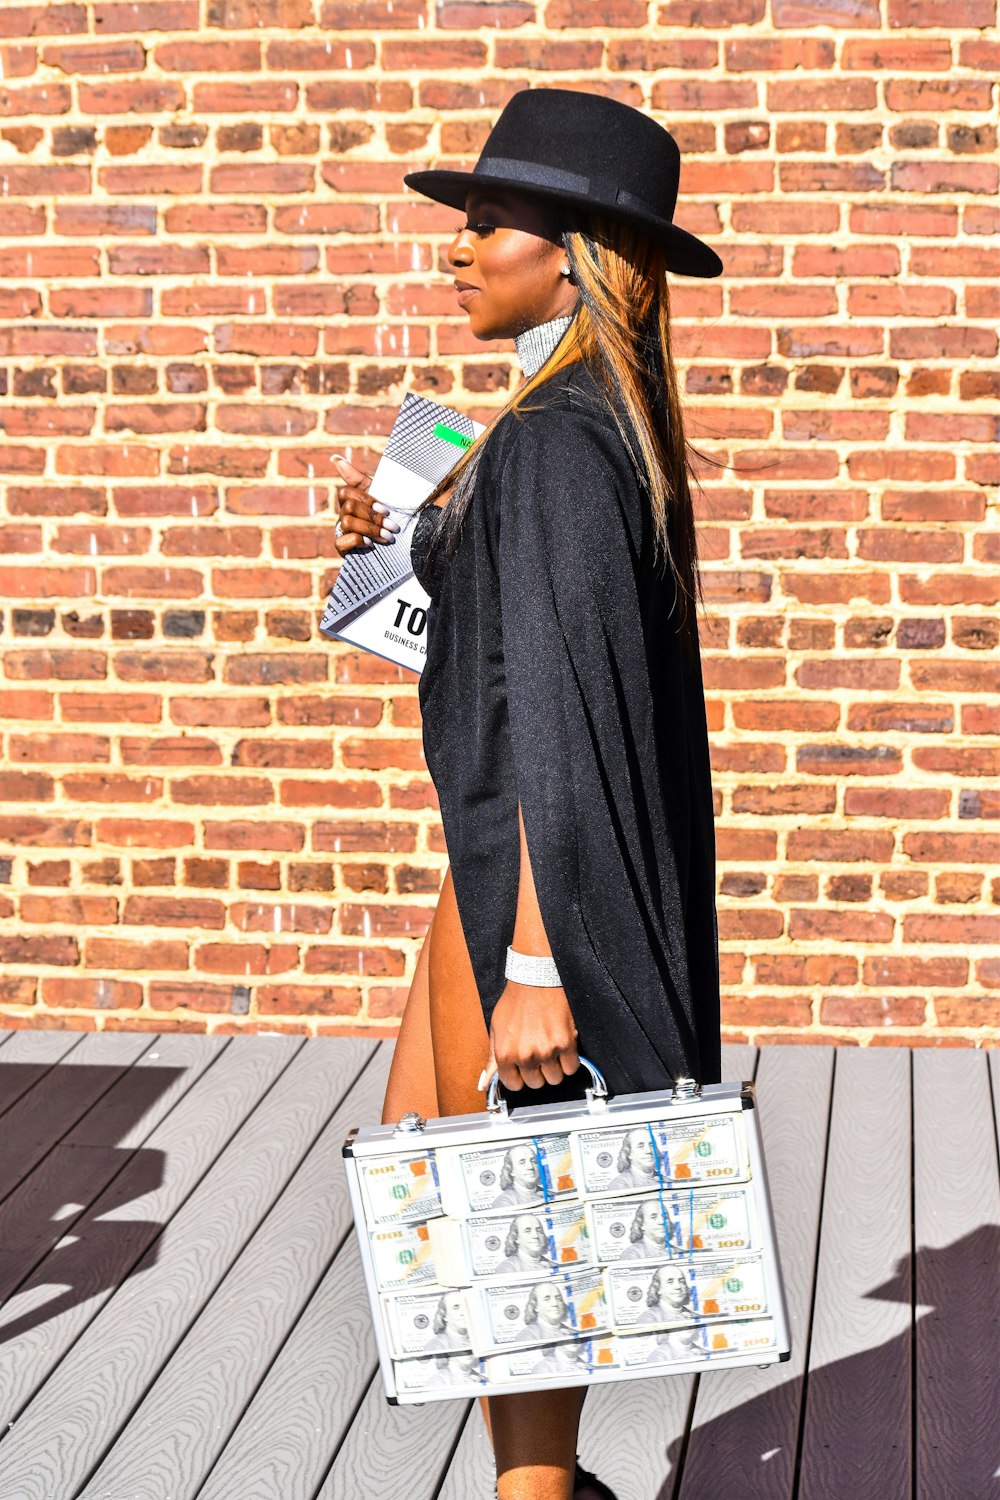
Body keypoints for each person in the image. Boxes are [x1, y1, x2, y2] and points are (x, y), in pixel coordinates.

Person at [334, 85, 722, 1500]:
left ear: (572, 249)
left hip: (530, 891)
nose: (456, 247)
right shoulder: (585, 418)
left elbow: (553, 711)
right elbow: (519, 647)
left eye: (486, 223)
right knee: (495, 1211)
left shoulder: (558, 442)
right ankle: (537, 1488)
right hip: (528, 869)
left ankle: (536, 1491)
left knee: (500, 1213)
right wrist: (416, 541)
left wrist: (533, 966)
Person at [606, 1128, 660, 1193]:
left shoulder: (667, 1181)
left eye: (651, 1145)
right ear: (629, 1153)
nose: (648, 1151)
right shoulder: (619, 1185)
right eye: (640, 1146)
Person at [521, 1281, 575, 1346]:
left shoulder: (573, 1333)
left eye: (558, 1298)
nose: (555, 1304)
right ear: (535, 1306)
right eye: (547, 1299)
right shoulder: (527, 1336)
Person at [492, 1143, 543, 1208]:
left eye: (533, 1161)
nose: (530, 1167)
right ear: (511, 1171)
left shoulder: (551, 1195)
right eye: (522, 1163)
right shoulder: (504, 1202)